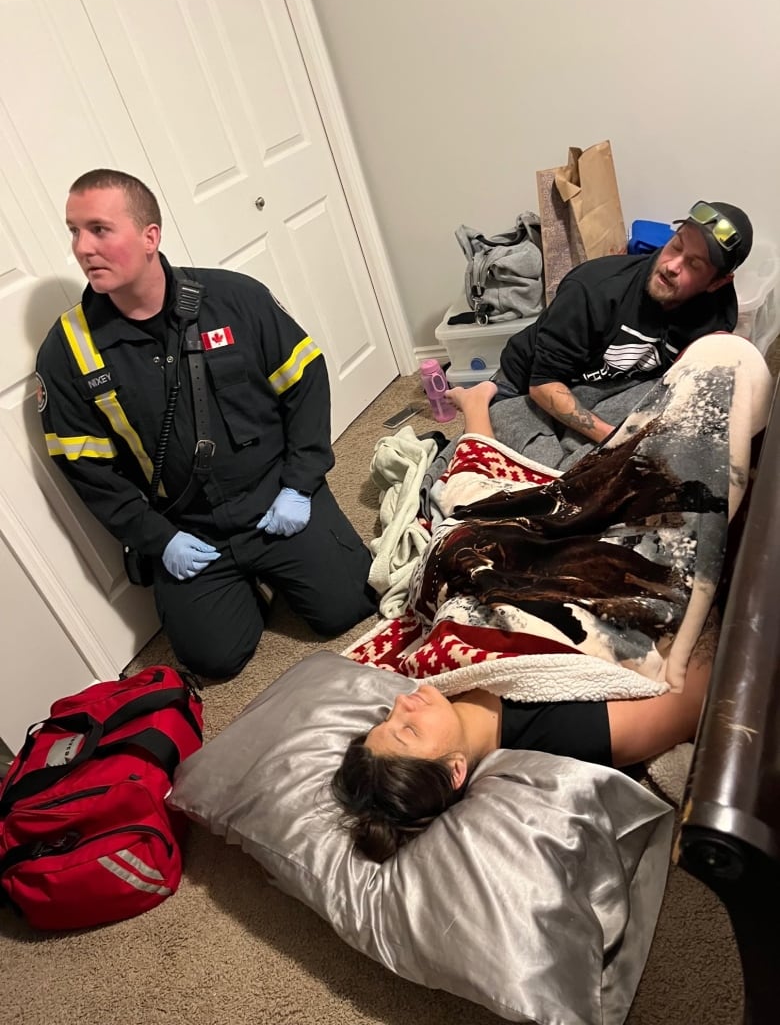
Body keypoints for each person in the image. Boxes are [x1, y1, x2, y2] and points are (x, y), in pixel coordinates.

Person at [332, 338, 771, 862]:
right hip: (615, 562)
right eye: (405, 731)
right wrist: (710, 578)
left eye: (383, 721)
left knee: (472, 502)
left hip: (524, 542)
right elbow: (689, 701)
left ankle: (479, 410)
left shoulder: (436, 686)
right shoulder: (563, 731)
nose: (401, 704)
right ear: (454, 769)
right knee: (719, 370)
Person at [36, 169, 376, 680]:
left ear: (151, 236)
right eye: (74, 231)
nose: (83, 248)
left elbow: (305, 381)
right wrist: (158, 539)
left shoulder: (236, 299)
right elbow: (88, 470)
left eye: (99, 229)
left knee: (348, 607)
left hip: (274, 498)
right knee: (213, 659)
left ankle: (290, 557)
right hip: (188, 528)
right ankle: (244, 588)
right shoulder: (68, 351)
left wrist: (300, 485)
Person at [497, 200, 753, 445]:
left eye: (694, 264)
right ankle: (475, 398)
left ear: (716, 283)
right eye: (676, 245)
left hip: (605, 386)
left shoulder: (716, 315)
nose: (672, 266)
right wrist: (616, 441)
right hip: (526, 383)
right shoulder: (592, 288)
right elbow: (542, 384)